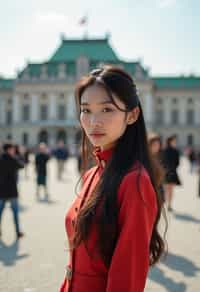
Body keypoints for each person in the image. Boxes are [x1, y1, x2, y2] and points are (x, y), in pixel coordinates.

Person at [60, 66, 166, 292]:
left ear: (132, 115)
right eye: (86, 110)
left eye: (107, 109)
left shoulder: (134, 181)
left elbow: (126, 279)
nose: (93, 121)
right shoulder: (92, 173)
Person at [0, 143, 24, 239]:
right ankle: (17, 232)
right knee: (15, 213)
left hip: (1, 190)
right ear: (9, 149)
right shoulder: (12, 159)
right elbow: (22, 165)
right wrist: (19, 155)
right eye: (12, 149)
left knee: (0, 213)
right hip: (12, 191)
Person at [163, 135, 181, 211]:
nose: (175, 142)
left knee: (167, 189)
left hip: (165, 172)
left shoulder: (164, 150)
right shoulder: (175, 151)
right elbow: (177, 163)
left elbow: (162, 162)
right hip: (172, 171)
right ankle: (169, 204)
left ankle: (167, 204)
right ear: (170, 141)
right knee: (170, 189)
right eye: (174, 141)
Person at [148, 133, 165, 206]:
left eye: (158, 145)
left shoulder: (159, 157)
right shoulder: (145, 158)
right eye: (154, 145)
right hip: (150, 191)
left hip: (158, 190)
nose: (157, 147)